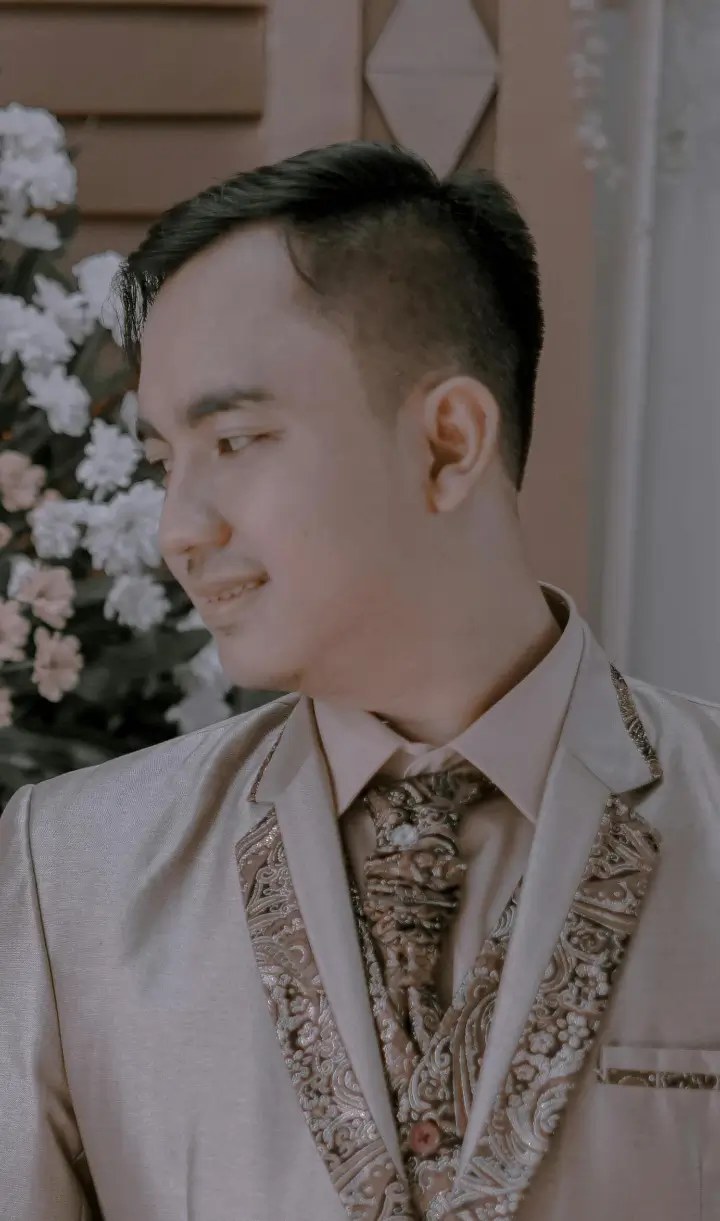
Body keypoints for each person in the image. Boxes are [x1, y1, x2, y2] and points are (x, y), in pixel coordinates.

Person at [1, 140, 719, 1221]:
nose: (180, 529)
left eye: (235, 440)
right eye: (162, 462)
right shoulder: (72, 872)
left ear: (448, 443)